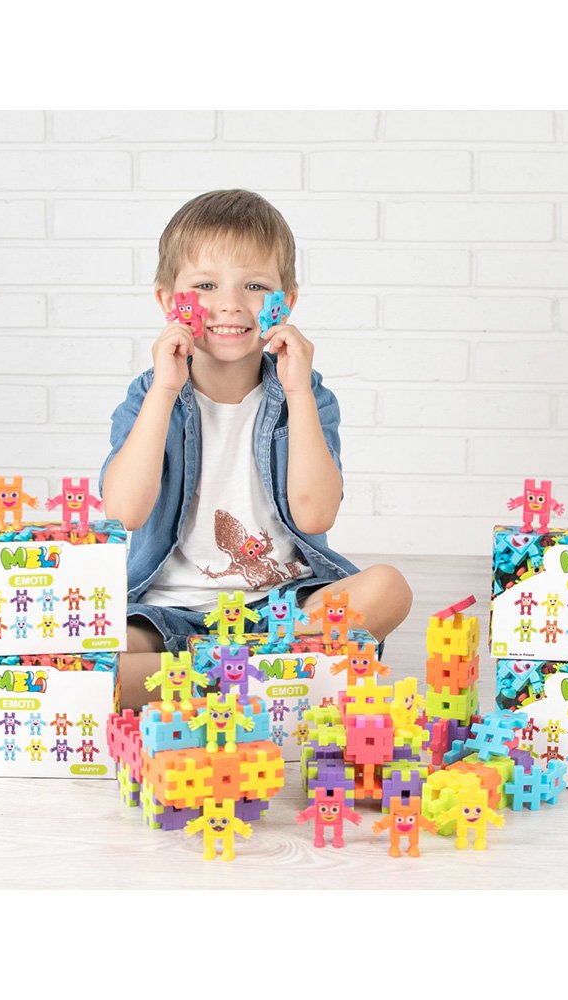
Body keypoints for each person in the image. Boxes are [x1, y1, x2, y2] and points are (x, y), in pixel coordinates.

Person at [100, 189, 412, 708]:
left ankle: (215, 678)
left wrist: (298, 391)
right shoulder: (149, 395)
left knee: (387, 587)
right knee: (93, 659)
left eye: (255, 286)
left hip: (282, 611)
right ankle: (273, 677)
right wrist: (164, 390)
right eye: (205, 285)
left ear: (285, 302)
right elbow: (124, 512)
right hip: (168, 617)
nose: (230, 304)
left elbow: (315, 516)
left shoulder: (307, 395)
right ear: (168, 301)